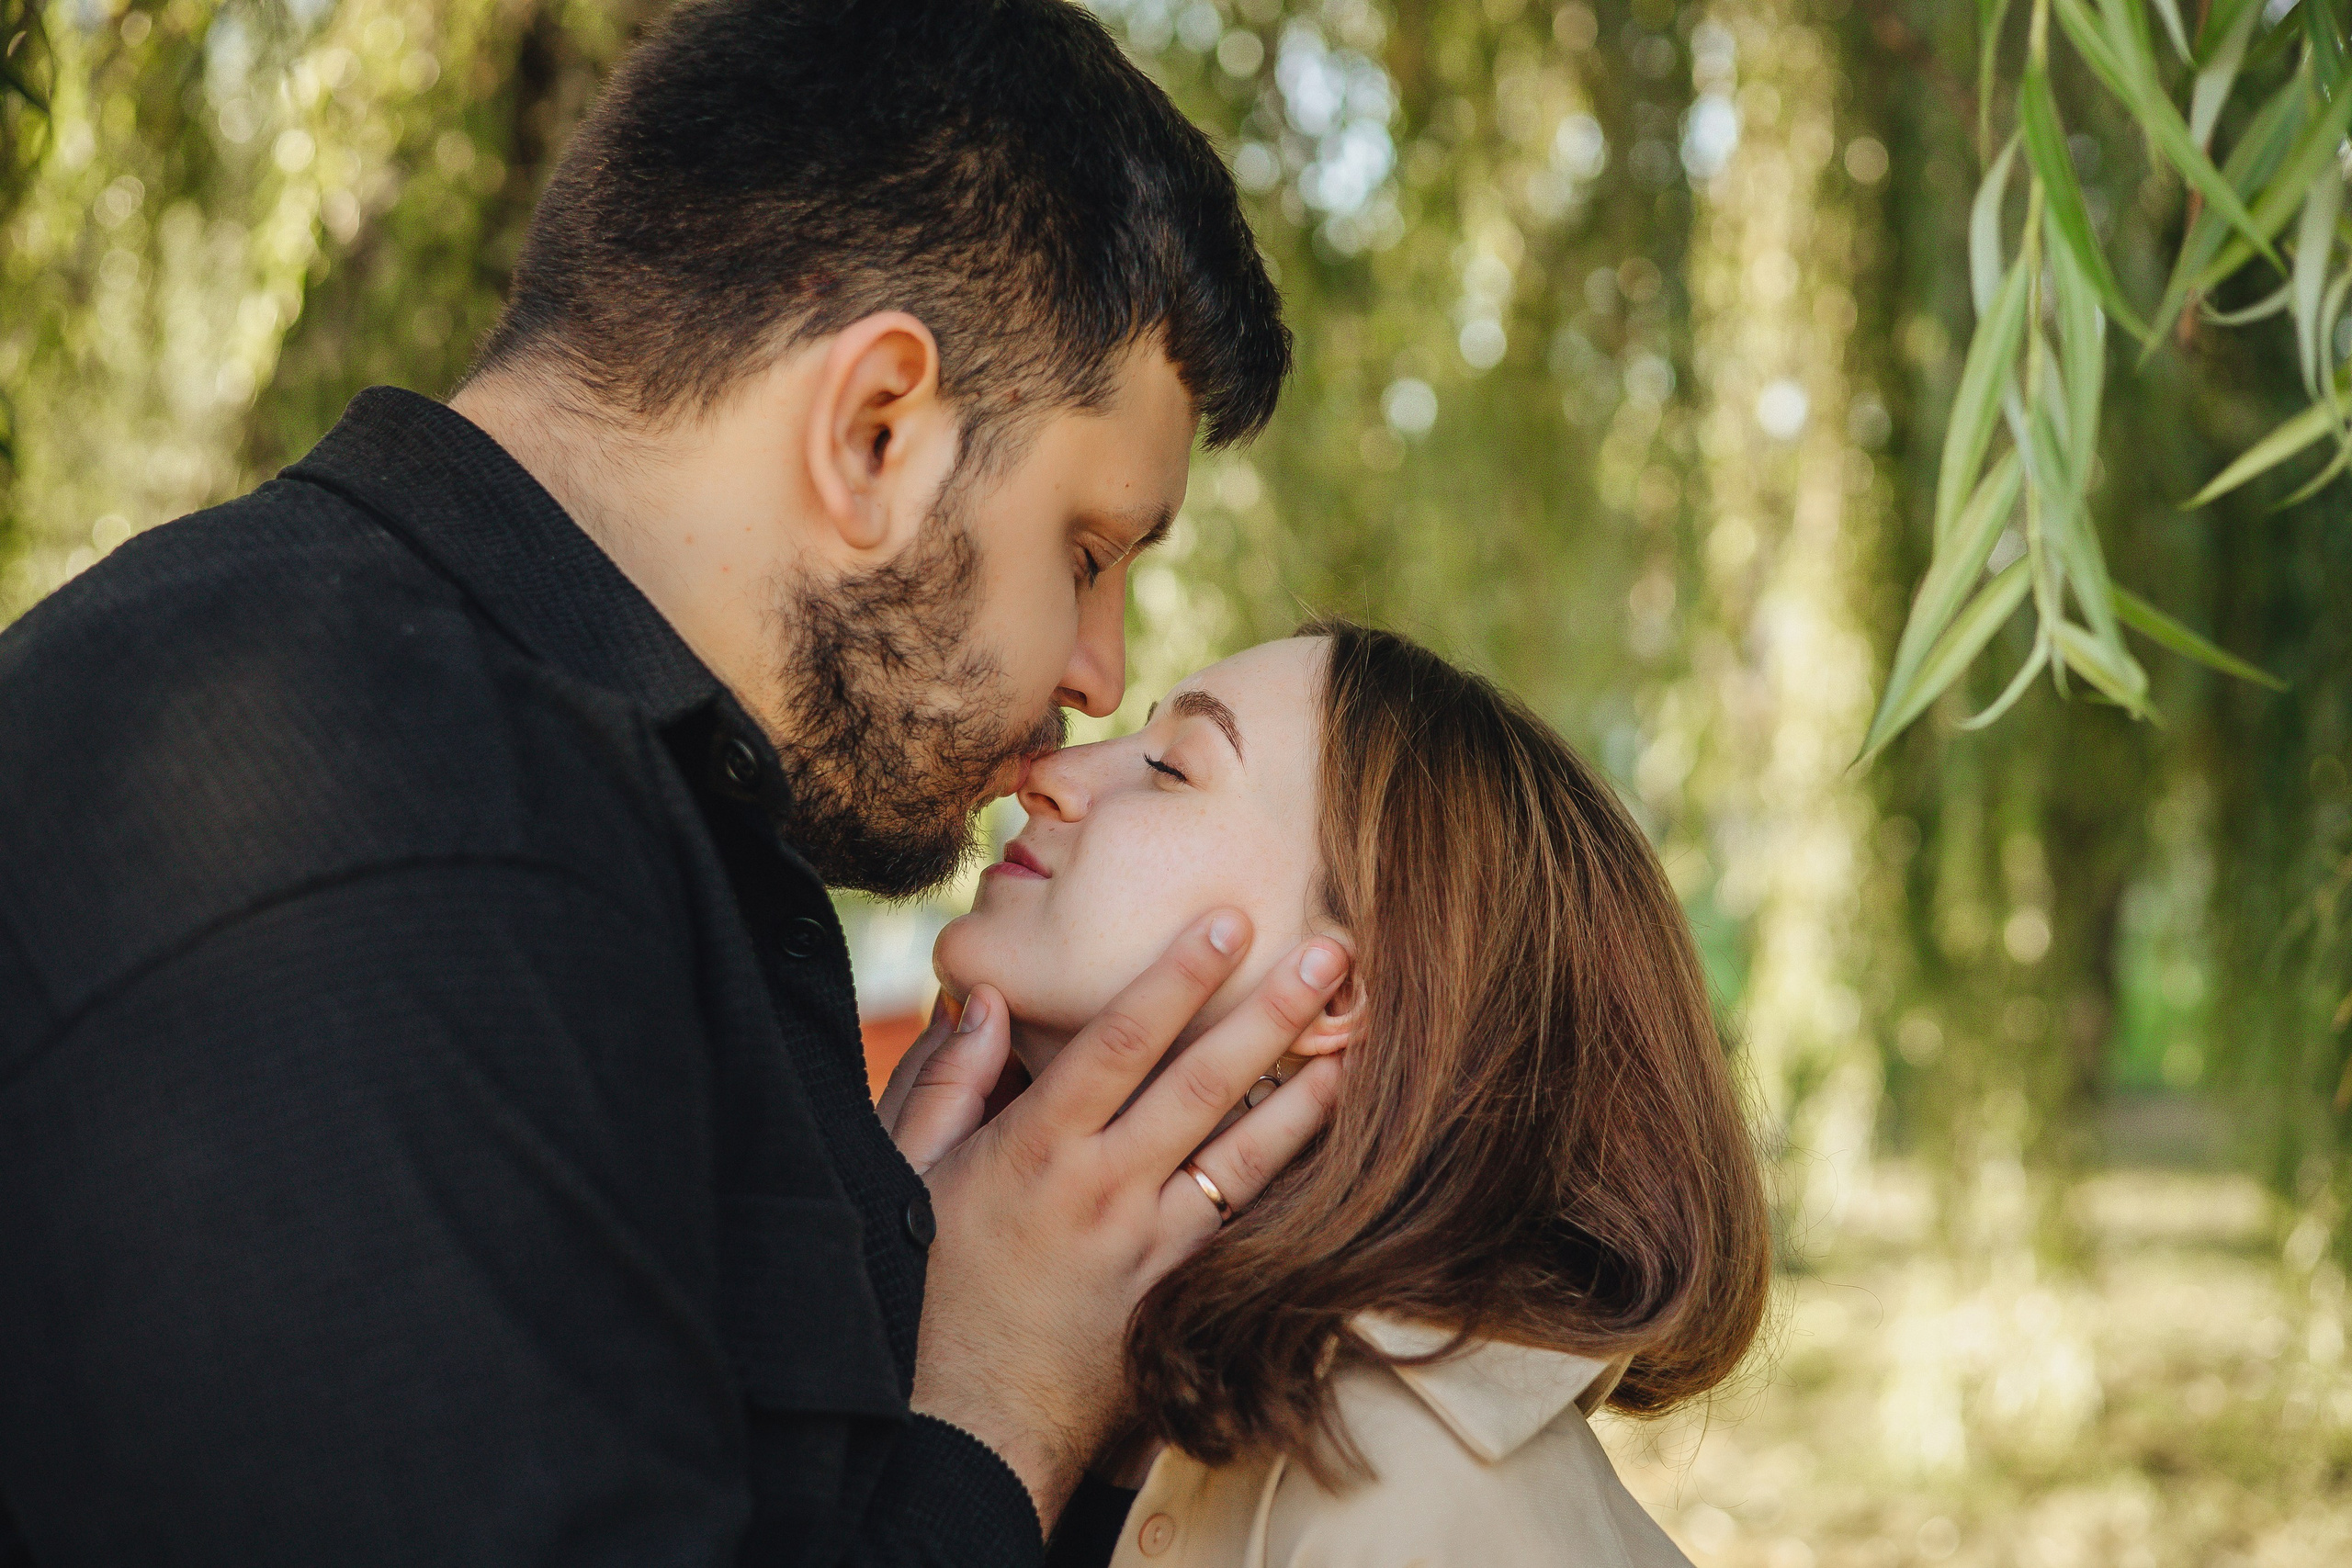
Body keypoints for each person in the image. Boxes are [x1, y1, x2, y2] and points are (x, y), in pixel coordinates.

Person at [0, 2, 1346, 1563]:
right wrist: (996, 1411)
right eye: (1089, 552)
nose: (1099, 674)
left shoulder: (555, 799)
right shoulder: (371, 841)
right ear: (877, 430)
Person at [902, 624, 1772, 1567]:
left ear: (1337, 993)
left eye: (1170, 768)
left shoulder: (1418, 1517)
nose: (1050, 772)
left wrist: (982, 1411)